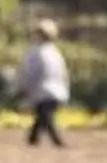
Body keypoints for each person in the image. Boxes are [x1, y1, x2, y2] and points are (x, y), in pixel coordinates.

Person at [17, 20, 70, 148]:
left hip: (43, 90)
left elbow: (31, 72)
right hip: (56, 89)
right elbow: (63, 73)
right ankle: (33, 139)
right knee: (42, 116)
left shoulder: (36, 52)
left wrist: (24, 86)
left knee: (45, 116)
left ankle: (56, 141)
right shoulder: (55, 52)